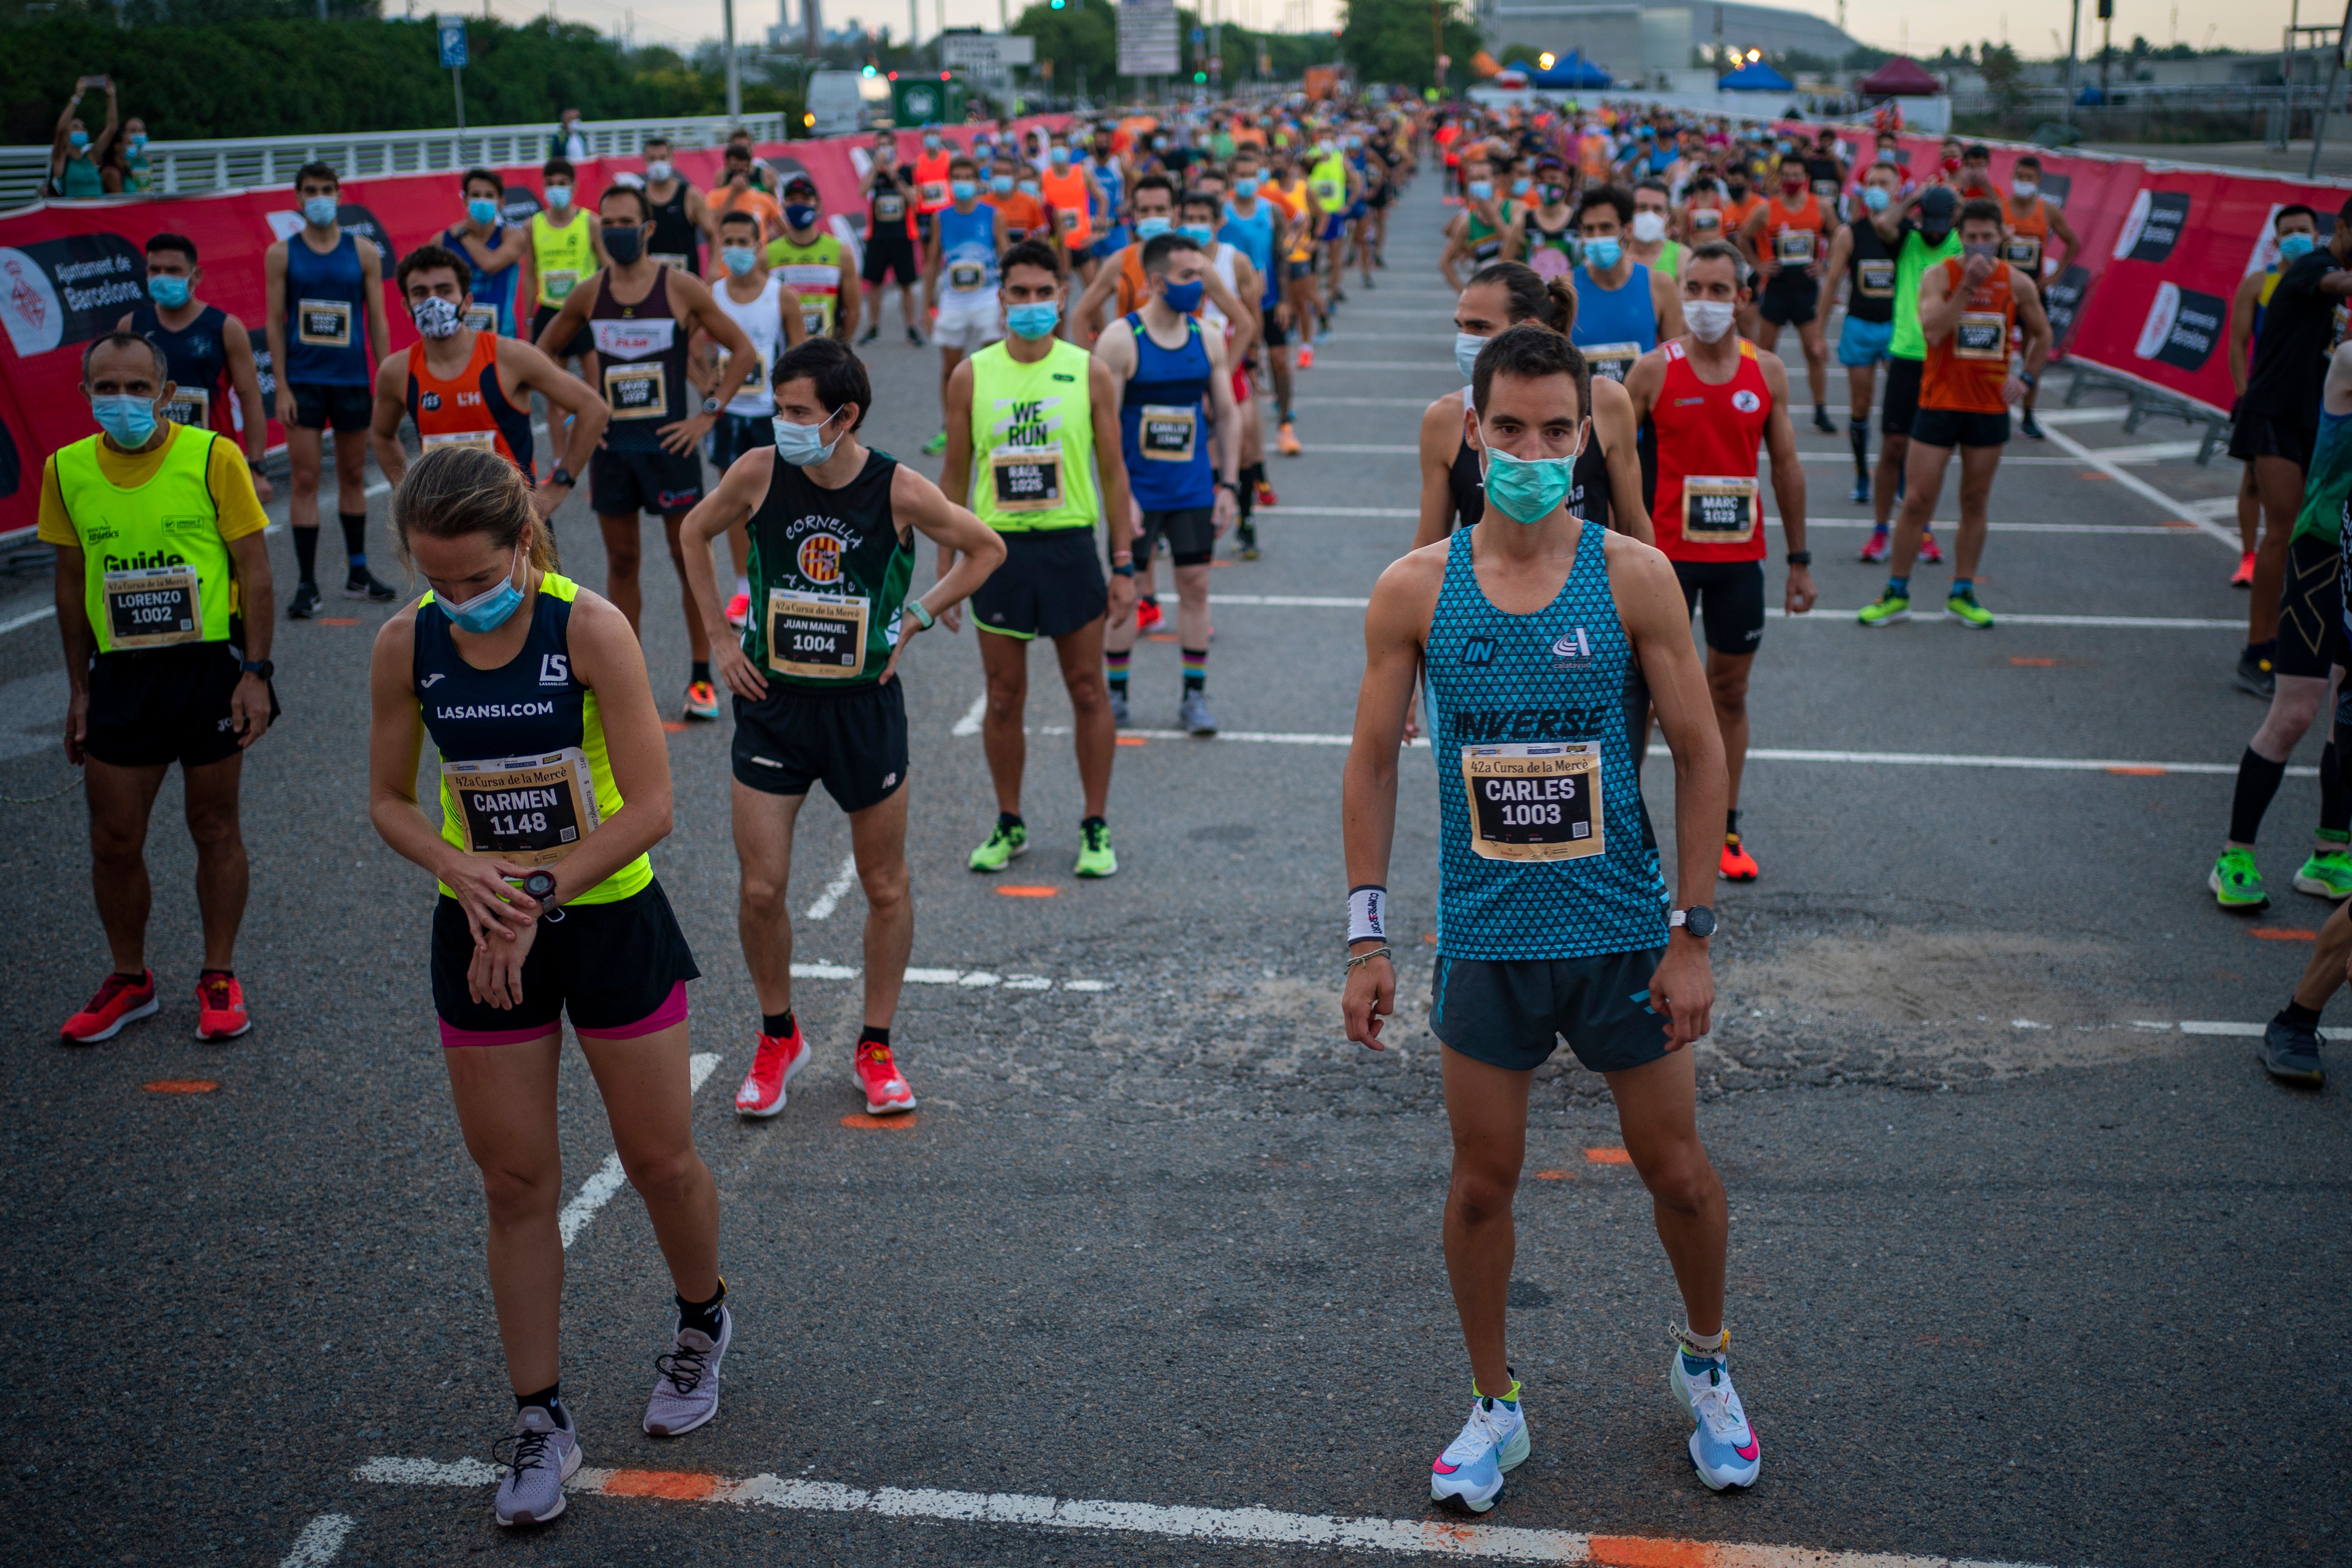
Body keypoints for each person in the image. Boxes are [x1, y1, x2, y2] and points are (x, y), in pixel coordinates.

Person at [1342, 322, 1755, 1509]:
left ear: (1586, 436)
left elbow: (1697, 748)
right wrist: (1366, 936)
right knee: (1480, 1184)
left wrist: (1693, 931)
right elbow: (1369, 764)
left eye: (1555, 430)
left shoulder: (1629, 574)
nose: (1532, 449)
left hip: (1625, 933)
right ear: (1473, 432)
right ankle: (1493, 1408)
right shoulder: (1414, 589)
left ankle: (1707, 1361)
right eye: (1509, 429)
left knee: (1675, 1172)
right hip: (1485, 939)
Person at [364, 445, 724, 1529]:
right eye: (439, 583)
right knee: (516, 1184)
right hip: (482, 930)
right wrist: (456, 868)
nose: (459, 601)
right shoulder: (404, 645)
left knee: (660, 1158)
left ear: (523, 542)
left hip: (607, 917)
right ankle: (539, 1418)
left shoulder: (592, 629)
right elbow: (388, 799)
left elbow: (651, 806)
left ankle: (702, 1323)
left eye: (477, 579)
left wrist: (533, 891)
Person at [676, 339, 1005, 1121]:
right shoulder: (758, 473)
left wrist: (920, 616)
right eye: (778, 408)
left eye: (797, 412)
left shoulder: (899, 488)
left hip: (863, 710)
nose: (781, 423)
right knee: (762, 888)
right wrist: (720, 641)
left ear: (843, 416)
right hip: (775, 705)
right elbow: (693, 533)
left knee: (884, 884)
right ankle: (779, 1035)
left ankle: (876, 1046)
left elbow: (987, 548)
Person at [48, 332, 280, 1045]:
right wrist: (79, 692)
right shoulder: (67, 468)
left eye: (136, 387)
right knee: (114, 838)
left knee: (214, 827)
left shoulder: (213, 457)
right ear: (87, 396)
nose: (122, 401)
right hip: (121, 678)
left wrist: (257, 674)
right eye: (106, 388)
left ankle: (219, 972)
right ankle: (131, 978)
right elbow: (68, 580)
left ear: (166, 392)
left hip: (206, 669)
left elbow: (256, 571)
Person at [938, 240, 1136, 877]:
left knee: (1087, 690)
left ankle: (1096, 824)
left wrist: (1125, 562)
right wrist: (945, 569)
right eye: (1017, 294)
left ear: (1061, 297)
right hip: (999, 553)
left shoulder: (1088, 371)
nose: (1029, 304)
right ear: (1000, 299)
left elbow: (1113, 473)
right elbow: (951, 478)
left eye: (1040, 293)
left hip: (1070, 547)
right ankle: (1010, 821)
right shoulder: (972, 374)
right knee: (1002, 697)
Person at [1625, 243, 1817, 883]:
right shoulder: (1652, 371)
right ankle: (1625, 837)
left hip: (1740, 562)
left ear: (1742, 296)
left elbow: (1786, 467)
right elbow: (1618, 465)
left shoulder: (1767, 371)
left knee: (1728, 693)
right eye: (1694, 289)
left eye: (1717, 290)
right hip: (1665, 566)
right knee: (1643, 701)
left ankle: (1727, 827)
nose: (1703, 303)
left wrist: (1800, 560)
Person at [535, 183, 760, 723]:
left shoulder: (680, 288)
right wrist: (580, 410)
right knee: (622, 562)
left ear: (648, 228)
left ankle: (702, 677)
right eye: (607, 221)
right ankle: (624, 681)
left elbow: (744, 350)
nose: (616, 230)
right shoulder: (589, 294)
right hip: (614, 451)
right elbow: (542, 355)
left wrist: (707, 413)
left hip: (671, 447)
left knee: (690, 562)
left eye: (625, 221)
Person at [1858, 198, 2053, 632]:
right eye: (1972, 238)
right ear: (1959, 238)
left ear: (2003, 235)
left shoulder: (2018, 284)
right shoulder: (1939, 275)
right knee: (1916, 501)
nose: (1980, 246)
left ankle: (1962, 592)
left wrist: (2026, 378)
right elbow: (1932, 331)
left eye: (1988, 237)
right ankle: (1897, 593)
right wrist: (1967, 287)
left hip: (1988, 408)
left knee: (1975, 501)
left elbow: (2043, 333)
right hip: (1939, 403)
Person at [2209, 337, 2352, 913]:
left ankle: (2329, 853)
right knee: (2296, 712)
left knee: (2349, 713)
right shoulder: (2347, 357)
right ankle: (2234, 857)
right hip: (2324, 555)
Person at [1093, 232, 1244, 735]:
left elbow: (1226, 412)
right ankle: (1115, 697)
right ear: (1156, 282)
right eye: (1187, 276)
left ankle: (1194, 698)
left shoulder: (1207, 337)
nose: (1197, 284)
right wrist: (1123, 496)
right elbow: (1104, 427)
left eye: (1200, 274)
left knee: (1196, 586)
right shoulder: (1120, 339)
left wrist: (1229, 485)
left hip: (1193, 490)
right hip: (1137, 492)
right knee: (1128, 592)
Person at [1415, 261, 1652, 552]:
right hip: (1483, 589)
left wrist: (1650, 585)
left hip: (1586, 590)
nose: (1465, 341)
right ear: (1473, 427)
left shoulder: (1606, 402)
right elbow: (1429, 542)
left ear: (1528, 329)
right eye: (1509, 428)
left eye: (1479, 327)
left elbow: (1633, 526)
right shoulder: (1444, 418)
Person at [368, 244, 610, 512]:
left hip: (516, 524)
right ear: (406, 305)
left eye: (445, 291)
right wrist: (408, 495)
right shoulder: (396, 371)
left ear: (467, 301)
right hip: (443, 526)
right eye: (420, 293)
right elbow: (382, 436)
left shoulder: (511, 356)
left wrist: (557, 487)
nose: (433, 302)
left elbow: (594, 408)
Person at [264, 162, 395, 618]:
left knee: (354, 476)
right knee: (304, 480)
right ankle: (307, 584)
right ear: (297, 198)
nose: (318, 197)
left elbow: (377, 318)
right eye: (309, 191)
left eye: (326, 189)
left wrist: (386, 377)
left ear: (339, 195)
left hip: (354, 381)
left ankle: (358, 572)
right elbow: (274, 324)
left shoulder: (363, 252)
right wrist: (280, 385)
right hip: (304, 382)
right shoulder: (282, 254)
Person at [2233, 195, 2352, 700]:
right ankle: (2257, 650)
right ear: (2342, 229)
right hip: (2274, 415)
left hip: (2317, 421)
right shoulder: (2314, 266)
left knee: (2319, 534)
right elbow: (2337, 283)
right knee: (2282, 530)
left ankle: (2308, 640)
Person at [694, 209, 806, 628]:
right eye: (730, 242)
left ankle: (779, 586)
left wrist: (792, 408)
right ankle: (745, 591)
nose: (737, 250)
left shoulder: (782, 296)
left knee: (778, 504)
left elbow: (801, 359)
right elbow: (691, 346)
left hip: (767, 415)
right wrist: (706, 384)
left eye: (745, 242)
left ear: (760, 247)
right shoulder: (711, 294)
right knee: (734, 505)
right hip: (728, 416)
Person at [118, 233, 272, 503]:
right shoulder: (130, 327)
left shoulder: (226, 327)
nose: (163, 277)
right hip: (149, 460)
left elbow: (250, 398)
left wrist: (256, 468)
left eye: (174, 270)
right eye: (155, 270)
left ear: (196, 275)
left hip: (211, 458)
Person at [1860, 184, 1960, 568]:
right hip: (1905, 354)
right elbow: (1883, 223)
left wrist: (1957, 205)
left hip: (1944, 361)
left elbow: (1994, 235)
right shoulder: (1908, 241)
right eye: (1928, 223)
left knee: (1932, 456)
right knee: (1893, 449)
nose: (1934, 232)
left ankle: (1923, 528)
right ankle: (1881, 529)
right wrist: (1915, 198)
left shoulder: (1961, 245)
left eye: (1942, 224)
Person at [2228, 207, 2321, 592]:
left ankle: (2297, 559)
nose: (2296, 236)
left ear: (2318, 236)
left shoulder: (2328, 281)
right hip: (2265, 398)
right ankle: (2249, 558)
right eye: (2288, 232)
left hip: (2314, 402)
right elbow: (2237, 341)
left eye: (2303, 230)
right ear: (2276, 240)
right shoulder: (2258, 283)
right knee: (2253, 482)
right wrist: (2242, 392)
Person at [1737, 156, 1838, 435]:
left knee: (1815, 352)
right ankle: (1761, 406)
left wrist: (1825, 264)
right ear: (1779, 178)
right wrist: (1758, 266)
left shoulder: (1821, 207)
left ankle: (1820, 409)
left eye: (1797, 176)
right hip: (1777, 289)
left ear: (1806, 177)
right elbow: (1744, 238)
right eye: (1787, 176)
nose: (1792, 181)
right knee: (1766, 353)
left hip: (1806, 290)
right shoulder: (1767, 211)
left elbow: (1841, 237)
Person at [1823, 161, 1903, 505]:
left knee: (1899, 409)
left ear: (1898, 188)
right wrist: (1817, 331)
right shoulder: (1849, 233)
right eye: (1871, 182)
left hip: (1898, 329)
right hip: (1859, 326)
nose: (1877, 187)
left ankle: (1898, 474)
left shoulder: (1910, 232)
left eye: (1884, 182)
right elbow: (1831, 284)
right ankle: (1861, 475)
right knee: (1861, 406)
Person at [922, 155, 1009, 456]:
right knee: (950, 367)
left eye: (966, 177)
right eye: (956, 177)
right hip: (953, 300)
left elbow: (1006, 256)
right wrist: (926, 306)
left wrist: (1008, 300)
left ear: (976, 181)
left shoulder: (993, 215)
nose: (962, 183)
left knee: (991, 365)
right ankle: (950, 428)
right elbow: (932, 261)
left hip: (987, 297)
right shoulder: (941, 217)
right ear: (950, 182)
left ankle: (990, 423)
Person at [1567, 186, 1682, 387]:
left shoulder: (1660, 286)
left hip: (1642, 413)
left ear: (1627, 230)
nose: (1597, 237)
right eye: (1589, 229)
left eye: (1606, 228)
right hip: (1585, 412)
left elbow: (1676, 362)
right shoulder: (1566, 289)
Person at [1999, 154, 2075, 441]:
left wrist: (2054, 278)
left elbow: (2074, 243)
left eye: (2029, 178)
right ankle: (1998, 409)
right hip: (2004, 293)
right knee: (2000, 353)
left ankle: (2029, 415)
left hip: (2033, 293)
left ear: (2039, 181)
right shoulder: (2001, 208)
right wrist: (2001, 241)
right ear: (2013, 177)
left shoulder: (2048, 211)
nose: (2024, 182)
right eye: (2020, 176)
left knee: (2033, 355)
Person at [527, 158, 606, 386]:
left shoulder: (591, 222)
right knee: (555, 390)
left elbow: (607, 267)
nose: (556, 189)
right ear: (543, 189)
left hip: (585, 312)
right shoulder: (533, 226)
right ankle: (559, 425)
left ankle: (598, 423)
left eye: (562, 183)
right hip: (551, 310)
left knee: (596, 386)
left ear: (574, 187)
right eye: (550, 184)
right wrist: (529, 320)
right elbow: (530, 276)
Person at [765, 172, 862, 348]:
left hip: (825, 352)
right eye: (793, 200)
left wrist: (839, 349)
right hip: (784, 352)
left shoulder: (841, 252)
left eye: (806, 199)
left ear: (818, 207)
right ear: (783, 206)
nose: (799, 205)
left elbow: (853, 311)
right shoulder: (767, 255)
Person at [443, 168, 532, 337]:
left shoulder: (513, 237)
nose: (482, 201)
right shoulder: (443, 241)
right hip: (457, 336)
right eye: (475, 195)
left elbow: (491, 265)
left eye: (489, 196)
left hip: (502, 337)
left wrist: (464, 235)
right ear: (465, 200)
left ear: (501, 202)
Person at [858, 133, 927, 346]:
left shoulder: (906, 171)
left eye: (888, 145)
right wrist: (875, 168)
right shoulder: (873, 173)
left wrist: (893, 175)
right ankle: (873, 327)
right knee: (875, 284)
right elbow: (862, 191)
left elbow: (914, 199)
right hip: (877, 236)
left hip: (902, 235)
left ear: (896, 146)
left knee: (906, 284)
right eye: (880, 146)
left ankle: (911, 327)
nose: (884, 149)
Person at [640, 136, 716, 277]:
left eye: (662, 158)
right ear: (645, 162)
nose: (658, 164)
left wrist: (713, 269)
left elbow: (712, 234)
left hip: (686, 279)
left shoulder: (690, 196)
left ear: (672, 159)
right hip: (649, 280)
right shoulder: (639, 198)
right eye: (652, 159)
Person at [1440, 153, 1517, 290]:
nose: (1478, 183)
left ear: (1496, 181)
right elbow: (1445, 262)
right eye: (1474, 179)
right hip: (1486, 292)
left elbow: (1519, 247)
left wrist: (1495, 218)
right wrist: (1464, 293)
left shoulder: (1514, 209)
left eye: (1483, 178)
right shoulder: (1470, 221)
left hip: (1515, 289)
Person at [50, 75, 113, 199]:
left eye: (83, 127)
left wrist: (111, 96)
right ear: (67, 136)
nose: (81, 130)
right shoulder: (61, 159)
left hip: (96, 213)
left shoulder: (91, 157)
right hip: (74, 214)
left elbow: (111, 129)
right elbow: (61, 130)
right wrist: (77, 97)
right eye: (75, 127)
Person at [710, 144, 783, 247]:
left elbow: (783, 227)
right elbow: (714, 226)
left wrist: (766, 238)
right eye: (735, 165)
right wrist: (733, 193)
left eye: (743, 164)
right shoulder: (715, 197)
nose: (739, 169)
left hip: (758, 255)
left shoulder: (764, 198)